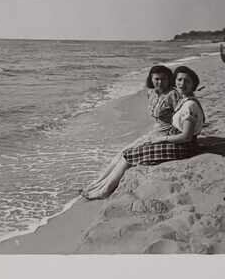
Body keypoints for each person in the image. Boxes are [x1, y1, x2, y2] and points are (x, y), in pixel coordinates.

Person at [82, 66, 205, 200]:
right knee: (121, 154)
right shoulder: (154, 94)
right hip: (161, 133)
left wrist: (163, 138)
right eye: (156, 79)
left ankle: (104, 190)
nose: (160, 82)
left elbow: (185, 129)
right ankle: (97, 184)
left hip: (171, 137)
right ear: (151, 79)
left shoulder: (179, 98)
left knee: (127, 155)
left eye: (164, 79)